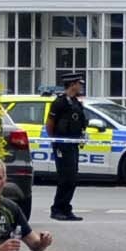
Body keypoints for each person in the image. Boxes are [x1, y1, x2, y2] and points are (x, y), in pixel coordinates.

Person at [45, 72, 87, 221]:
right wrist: (55, 142)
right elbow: (50, 124)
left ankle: (66, 208)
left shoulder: (76, 102)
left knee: (73, 177)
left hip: (73, 144)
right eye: (79, 83)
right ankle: (57, 209)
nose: (81, 86)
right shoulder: (59, 102)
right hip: (62, 145)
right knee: (65, 177)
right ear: (72, 84)